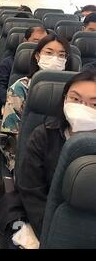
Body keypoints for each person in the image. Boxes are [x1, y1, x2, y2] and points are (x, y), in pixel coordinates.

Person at [17, 69, 96, 238]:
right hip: (47, 223)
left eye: (94, 104)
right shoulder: (43, 136)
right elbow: (31, 191)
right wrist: (51, 234)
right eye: (75, 99)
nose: (83, 108)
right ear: (64, 100)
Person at [0, 26, 49, 194]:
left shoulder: (71, 86)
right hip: (10, 109)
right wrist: (10, 101)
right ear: (26, 43)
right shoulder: (11, 62)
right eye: (37, 42)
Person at [0, 34, 72, 170]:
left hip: (65, 158)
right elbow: (12, 133)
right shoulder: (21, 87)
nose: (55, 59)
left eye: (61, 55)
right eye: (49, 53)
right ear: (37, 56)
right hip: (25, 155)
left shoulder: (75, 93)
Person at [0, 27, 49, 114]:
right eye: (36, 41)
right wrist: (14, 100)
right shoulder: (9, 62)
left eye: (44, 43)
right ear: (25, 41)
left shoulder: (51, 66)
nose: (40, 46)